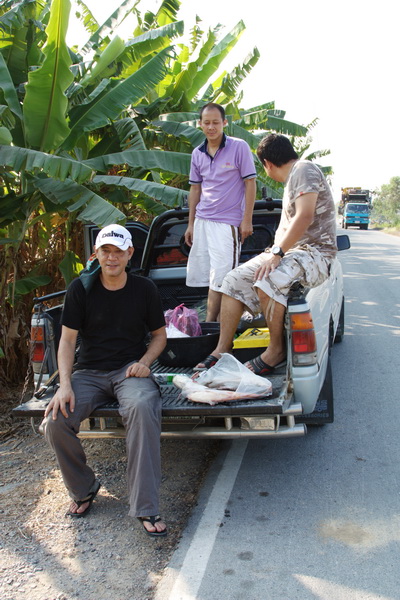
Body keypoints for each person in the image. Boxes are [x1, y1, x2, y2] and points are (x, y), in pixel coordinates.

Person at [42, 224, 168, 537]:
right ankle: (84, 488)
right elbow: (67, 341)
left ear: (130, 253)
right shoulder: (80, 289)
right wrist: (65, 385)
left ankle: (146, 506)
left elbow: (159, 337)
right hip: (88, 373)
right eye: (105, 251)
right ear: (95, 254)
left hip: (129, 371)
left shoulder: (144, 289)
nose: (111, 257)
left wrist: (144, 363)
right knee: (54, 421)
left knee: (142, 408)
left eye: (118, 251)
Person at [196, 133, 337, 372]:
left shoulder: (303, 169)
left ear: (267, 164)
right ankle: (223, 348)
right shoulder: (291, 181)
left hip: (315, 254)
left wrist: (277, 253)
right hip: (290, 253)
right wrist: (274, 252)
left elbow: (305, 215)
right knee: (232, 280)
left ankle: (275, 350)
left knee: (267, 278)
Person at [185, 102, 257, 322]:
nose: (211, 127)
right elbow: (195, 188)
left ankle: (211, 326)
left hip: (228, 223)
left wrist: (247, 220)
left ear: (224, 123)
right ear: (200, 124)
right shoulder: (197, 153)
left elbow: (250, 183)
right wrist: (190, 223)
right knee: (208, 276)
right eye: (206, 123)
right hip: (202, 220)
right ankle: (212, 324)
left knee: (224, 277)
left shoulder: (239, 147)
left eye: (216, 122)